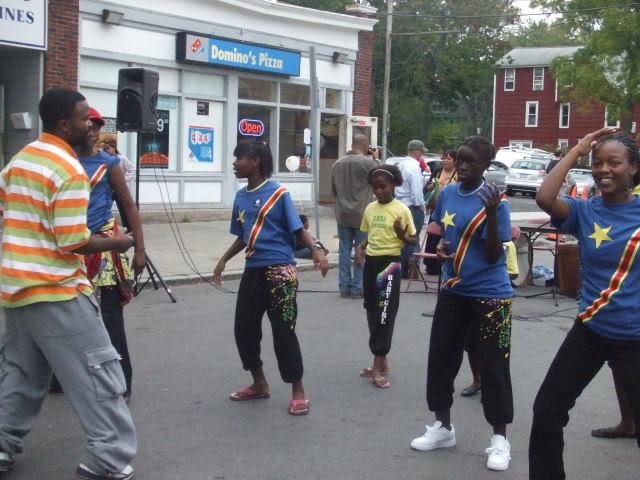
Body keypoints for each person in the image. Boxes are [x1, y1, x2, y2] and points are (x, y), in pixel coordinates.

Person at [0, 89, 137, 480]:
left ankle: (2, 444)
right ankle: (111, 457)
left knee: (20, 373)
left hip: (16, 288)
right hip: (56, 290)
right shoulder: (68, 169)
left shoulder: (20, 160)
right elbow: (73, 240)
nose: (93, 127)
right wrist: (119, 242)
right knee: (98, 371)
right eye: (85, 119)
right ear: (64, 124)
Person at [530, 128, 640, 480]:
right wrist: (577, 149)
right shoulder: (585, 211)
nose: (604, 169)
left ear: (633, 169)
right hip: (590, 331)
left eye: (615, 163)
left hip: (635, 339)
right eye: (598, 163)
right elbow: (545, 197)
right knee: (547, 411)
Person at [410, 136, 514, 472]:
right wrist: (441, 250)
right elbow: (442, 235)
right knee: (441, 358)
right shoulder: (448, 193)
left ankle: (499, 439)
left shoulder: (495, 200)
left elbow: (496, 254)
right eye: (461, 160)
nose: (463, 166)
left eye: (471, 162)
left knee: (494, 365)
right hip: (454, 290)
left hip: (491, 294)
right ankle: (443, 427)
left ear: (486, 166)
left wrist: (493, 213)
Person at [213, 141, 329, 416]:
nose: (234, 163)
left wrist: (315, 251)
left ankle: (298, 389)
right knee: (244, 329)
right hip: (253, 270)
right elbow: (244, 236)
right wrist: (223, 260)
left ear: (254, 161)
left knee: (283, 332)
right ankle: (259, 383)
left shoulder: (279, 193)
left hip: (281, 273)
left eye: (238, 157)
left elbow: (298, 230)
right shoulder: (241, 197)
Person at [76, 106, 147, 402]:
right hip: (71, 249)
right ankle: (61, 378)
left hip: (105, 249)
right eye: (88, 123)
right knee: (70, 319)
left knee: (110, 321)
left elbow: (129, 206)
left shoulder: (109, 163)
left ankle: (122, 382)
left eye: (97, 124)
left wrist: (139, 248)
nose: (92, 129)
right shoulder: (63, 163)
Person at [354, 164, 417, 389]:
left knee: (384, 314)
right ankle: (382, 361)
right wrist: (360, 248)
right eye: (375, 188)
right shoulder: (370, 209)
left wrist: (401, 234)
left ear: (394, 185)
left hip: (390, 264)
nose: (379, 191)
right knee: (371, 310)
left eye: (383, 187)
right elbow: (371, 234)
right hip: (371, 263)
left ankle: (377, 365)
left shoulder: (402, 209)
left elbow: (412, 240)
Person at [331, 134, 378, 298]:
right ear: (365, 145)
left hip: (342, 213)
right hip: (362, 213)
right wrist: (376, 159)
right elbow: (381, 179)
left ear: (352, 144)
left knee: (344, 249)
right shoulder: (368, 163)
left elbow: (334, 191)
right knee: (362, 248)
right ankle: (358, 287)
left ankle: (344, 286)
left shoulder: (337, 163)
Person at [396, 140, 427, 278]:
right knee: (413, 238)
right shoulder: (414, 167)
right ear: (415, 151)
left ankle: (402, 268)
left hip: (400, 203)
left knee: (403, 238)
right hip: (412, 206)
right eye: (421, 151)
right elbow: (416, 192)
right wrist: (421, 206)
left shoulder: (401, 164)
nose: (422, 154)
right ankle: (411, 268)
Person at [423, 150, 458, 274]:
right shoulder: (437, 171)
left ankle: (443, 265)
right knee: (432, 237)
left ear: (455, 161)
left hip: (451, 211)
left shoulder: (458, 174)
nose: (445, 161)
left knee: (444, 237)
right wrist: (429, 188)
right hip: (436, 208)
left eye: (448, 159)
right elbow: (426, 188)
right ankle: (430, 263)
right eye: (443, 158)